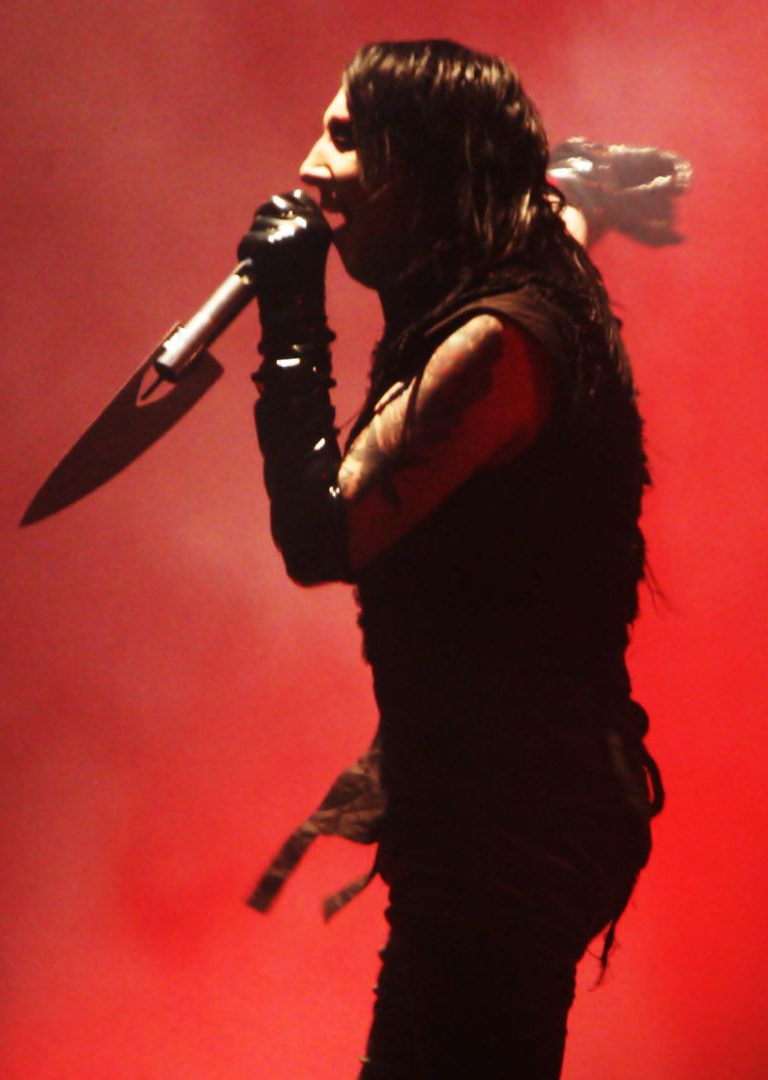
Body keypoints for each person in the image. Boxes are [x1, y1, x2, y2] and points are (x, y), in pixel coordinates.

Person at [237, 41, 668, 1077]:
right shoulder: (513, 263)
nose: (310, 165)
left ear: (421, 166)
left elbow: (321, 538)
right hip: (485, 810)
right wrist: (592, 183)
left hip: (510, 827)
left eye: (345, 138)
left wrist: (292, 317)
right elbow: (556, 209)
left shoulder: (493, 346)